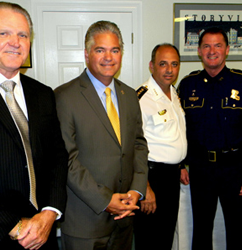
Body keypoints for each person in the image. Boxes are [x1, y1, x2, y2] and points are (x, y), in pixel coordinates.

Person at [0, 2, 69, 250]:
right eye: (3, 33)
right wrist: (13, 225)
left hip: (42, 231)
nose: (15, 42)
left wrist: (50, 212)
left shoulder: (43, 94)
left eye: (23, 35)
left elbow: (57, 155)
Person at [54, 20, 148, 250]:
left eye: (115, 50)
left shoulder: (130, 95)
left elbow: (138, 145)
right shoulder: (64, 97)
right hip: (85, 222)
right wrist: (105, 200)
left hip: (124, 218)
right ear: (87, 55)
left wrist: (137, 190)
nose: (109, 57)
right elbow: (67, 160)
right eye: (100, 50)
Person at [178, 27, 242, 250]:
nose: (212, 51)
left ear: (227, 50)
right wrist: (180, 164)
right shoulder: (188, 85)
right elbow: (177, 129)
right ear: (199, 51)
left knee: (238, 232)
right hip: (201, 168)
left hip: (236, 169)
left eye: (218, 45)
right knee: (201, 231)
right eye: (206, 46)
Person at [133, 43, 188, 250]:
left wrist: (181, 165)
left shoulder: (174, 94)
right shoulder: (141, 98)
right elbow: (132, 147)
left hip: (171, 176)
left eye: (174, 64)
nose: (169, 70)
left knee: (165, 236)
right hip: (151, 177)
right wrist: (144, 187)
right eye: (163, 64)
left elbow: (173, 137)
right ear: (151, 66)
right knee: (149, 238)